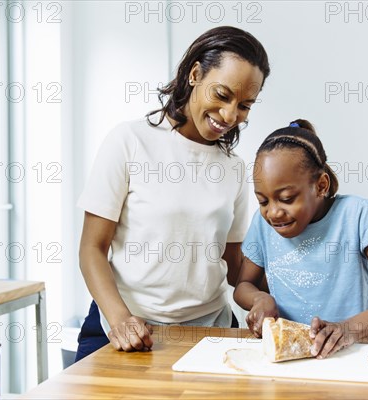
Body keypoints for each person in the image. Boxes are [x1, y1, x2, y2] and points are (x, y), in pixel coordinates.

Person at [74, 26, 270, 361]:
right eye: (222, 95)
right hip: (128, 326)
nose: (229, 115)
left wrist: (268, 294)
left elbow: (233, 263)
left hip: (211, 330)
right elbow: (92, 249)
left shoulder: (234, 167)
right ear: (195, 74)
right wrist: (121, 319)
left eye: (244, 105)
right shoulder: (129, 141)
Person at [233, 119, 368, 359]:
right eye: (263, 201)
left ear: (321, 185)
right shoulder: (262, 225)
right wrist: (260, 298)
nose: (273, 212)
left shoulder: (356, 214)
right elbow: (242, 286)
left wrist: (347, 330)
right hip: (289, 357)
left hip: (353, 354)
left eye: (287, 198)